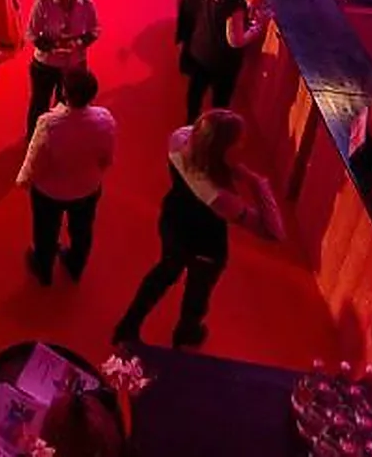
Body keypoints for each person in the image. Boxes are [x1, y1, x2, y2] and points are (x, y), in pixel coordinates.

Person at [113, 110, 284, 348]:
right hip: (206, 246)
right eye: (239, 141)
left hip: (173, 221)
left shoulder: (177, 141)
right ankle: (185, 334)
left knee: (162, 274)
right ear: (225, 150)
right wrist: (257, 183)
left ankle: (127, 326)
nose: (244, 144)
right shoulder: (222, 198)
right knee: (197, 294)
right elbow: (273, 231)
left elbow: (194, 148)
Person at [17, 68, 117, 286]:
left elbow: (36, 157)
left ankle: (43, 267)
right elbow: (106, 156)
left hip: (49, 191)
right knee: (82, 228)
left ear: (64, 92)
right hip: (87, 188)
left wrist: (24, 179)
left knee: (45, 230)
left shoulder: (49, 123)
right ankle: (76, 264)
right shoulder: (105, 119)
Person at [182, 0, 270, 122]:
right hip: (221, 59)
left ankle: (190, 121)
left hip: (200, 47)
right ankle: (214, 131)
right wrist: (256, 29)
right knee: (220, 100)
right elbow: (235, 40)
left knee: (196, 90)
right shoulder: (234, 1)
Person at [25, 0, 101, 137]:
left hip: (74, 63)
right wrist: (50, 47)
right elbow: (31, 32)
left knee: (68, 106)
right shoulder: (43, 3)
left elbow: (95, 29)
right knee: (39, 102)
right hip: (46, 63)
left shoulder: (86, 3)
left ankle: (61, 137)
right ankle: (34, 137)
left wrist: (80, 43)